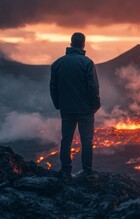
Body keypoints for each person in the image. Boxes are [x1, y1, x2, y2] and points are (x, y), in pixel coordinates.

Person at [50, 32, 100, 181]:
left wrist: (58, 104)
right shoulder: (87, 63)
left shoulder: (58, 63)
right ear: (83, 44)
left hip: (66, 109)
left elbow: (53, 87)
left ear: (71, 43)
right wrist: (95, 105)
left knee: (66, 140)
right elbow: (93, 87)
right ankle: (87, 171)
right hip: (85, 110)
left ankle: (65, 171)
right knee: (86, 140)